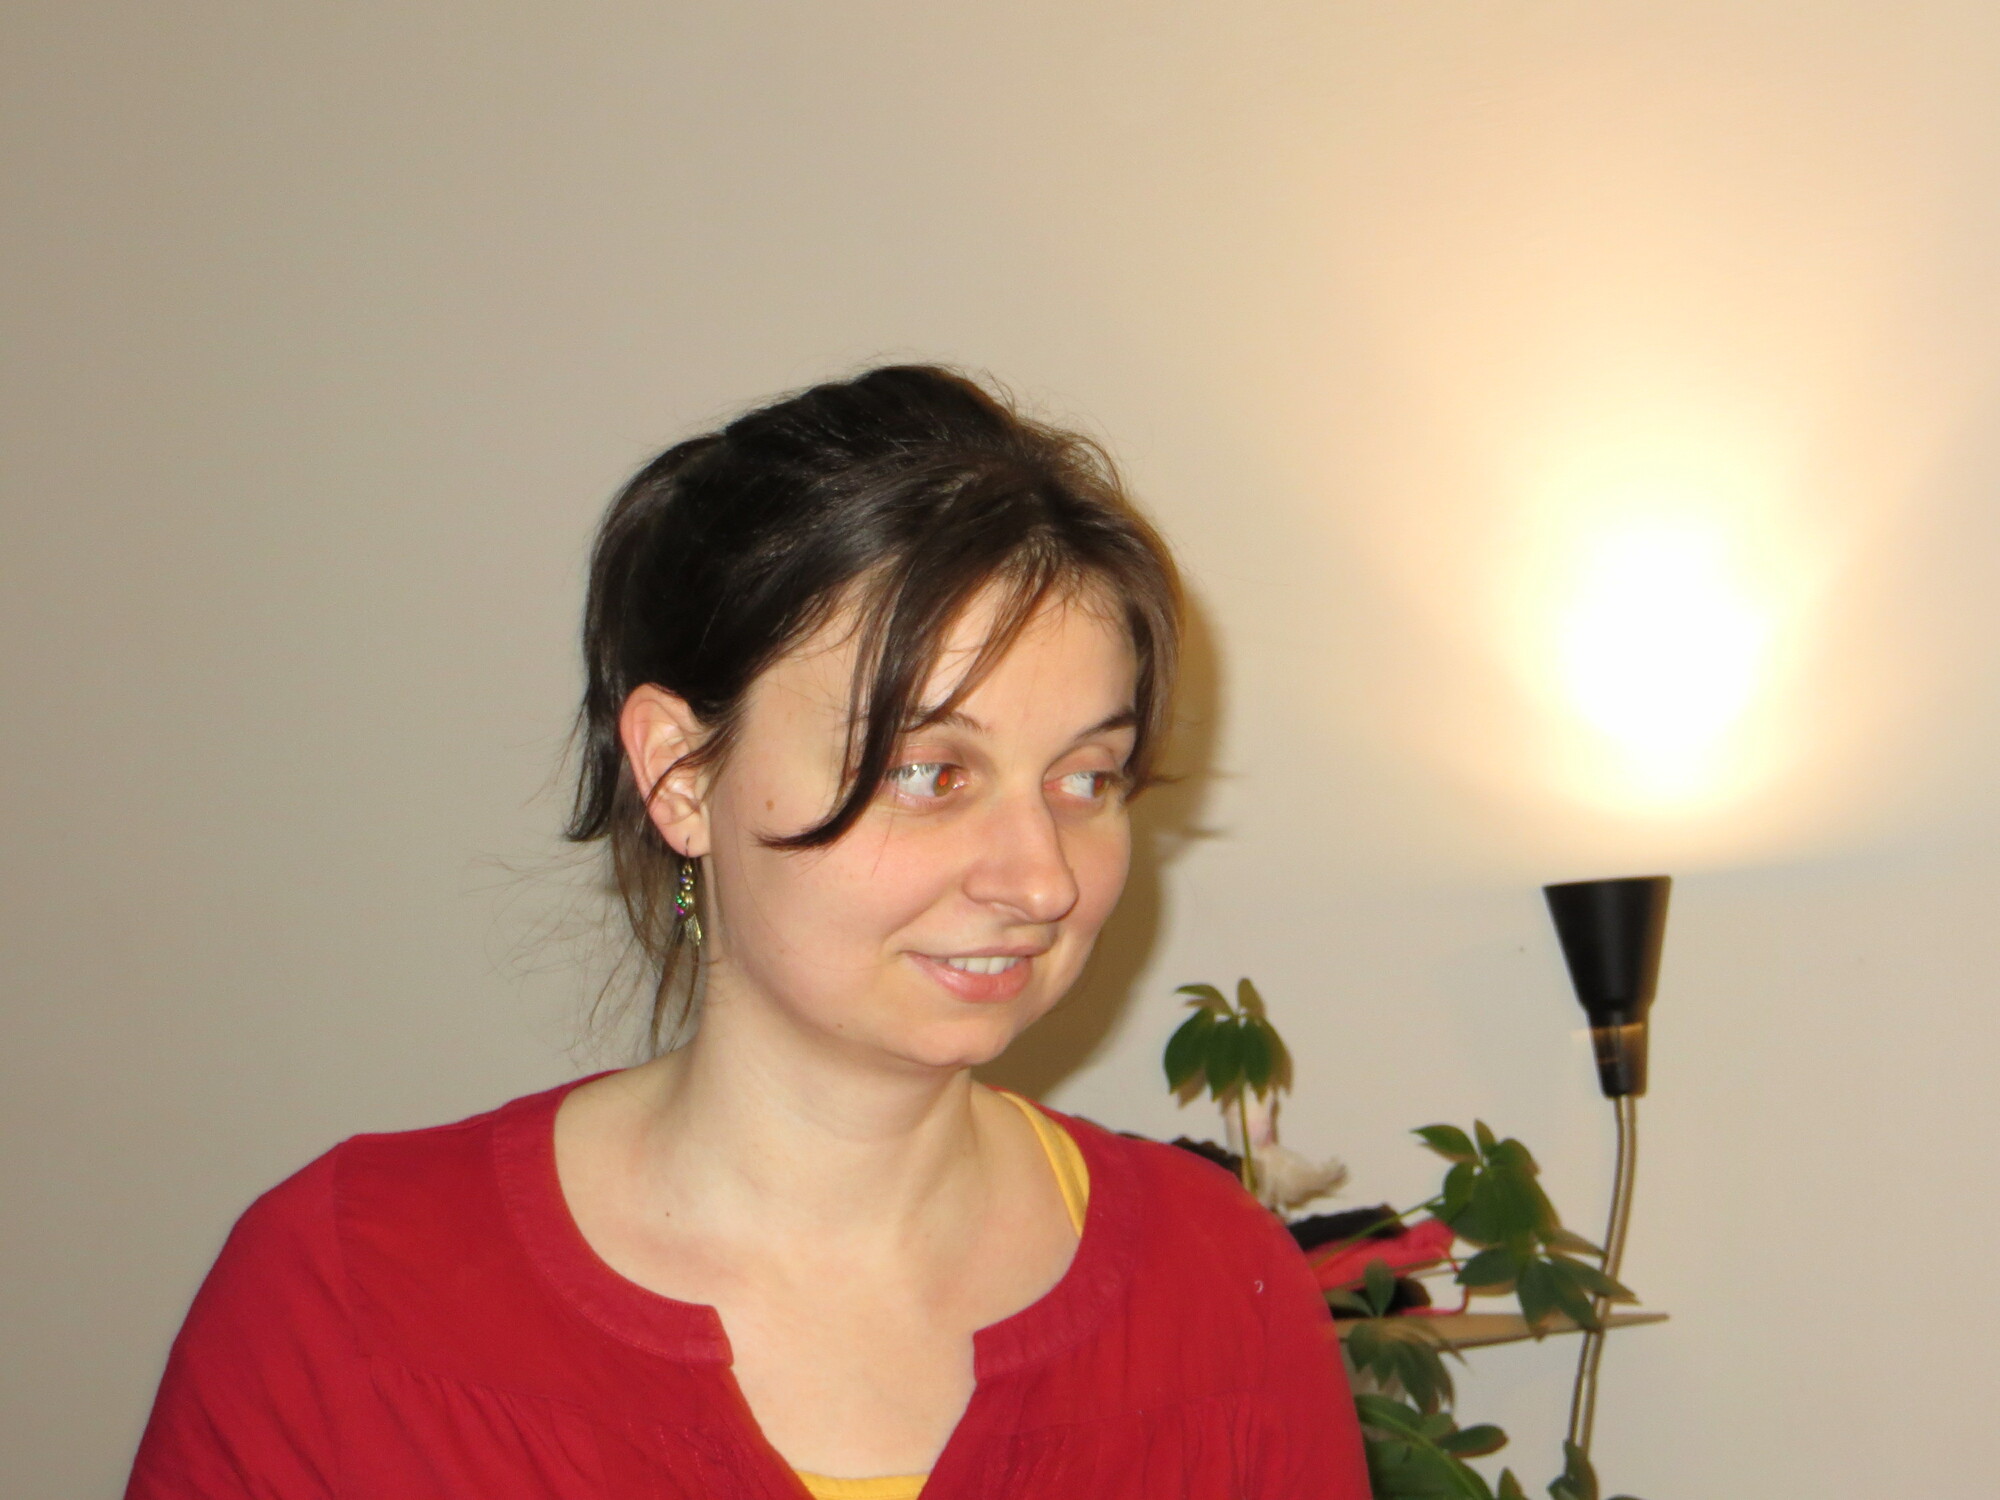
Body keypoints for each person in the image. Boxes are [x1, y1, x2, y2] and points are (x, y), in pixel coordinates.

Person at [126, 366, 1371, 1498]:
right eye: (930, 773)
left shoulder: (1221, 1294)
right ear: (679, 775)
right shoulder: (347, 1296)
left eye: (1085, 778)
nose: (1040, 878)